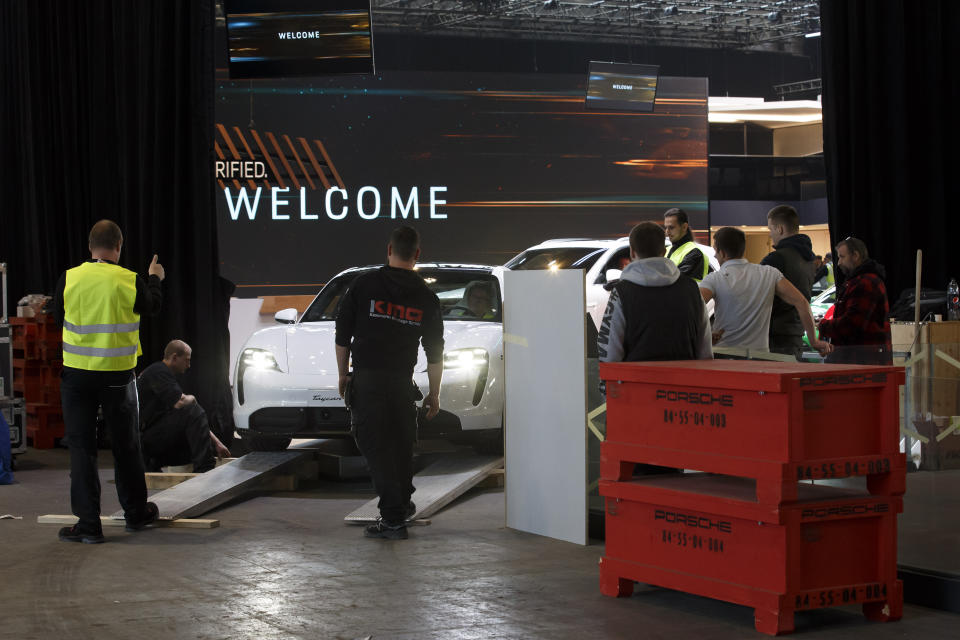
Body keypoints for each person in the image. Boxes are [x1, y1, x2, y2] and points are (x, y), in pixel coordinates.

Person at [52, 220, 164, 543]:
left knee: (81, 449)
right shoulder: (129, 281)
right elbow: (153, 307)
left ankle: (88, 525)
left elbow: (59, 318)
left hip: (76, 377)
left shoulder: (69, 278)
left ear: (90, 247)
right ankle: (136, 514)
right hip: (118, 378)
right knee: (126, 446)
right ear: (118, 247)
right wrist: (154, 278)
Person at [335, 226, 445, 540]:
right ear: (418, 254)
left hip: (368, 382)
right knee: (400, 444)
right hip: (401, 383)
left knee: (377, 449)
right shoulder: (425, 295)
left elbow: (343, 336)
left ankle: (393, 519)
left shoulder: (364, 284)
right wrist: (434, 394)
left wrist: (342, 375)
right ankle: (403, 502)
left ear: (389, 249)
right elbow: (435, 350)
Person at [699, 227, 832, 357]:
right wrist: (813, 341)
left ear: (722, 253)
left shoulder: (715, 279)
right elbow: (801, 302)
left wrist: (704, 336)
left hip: (725, 353)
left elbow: (693, 308)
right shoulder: (769, 273)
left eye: (715, 251)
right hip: (760, 356)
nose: (715, 255)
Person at [598, 221, 712, 364]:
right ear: (664, 252)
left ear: (632, 252)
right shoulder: (692, 289)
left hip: (638, 383)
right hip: (682, 382)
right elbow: (705, 350)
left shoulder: (621, 292)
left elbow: (609, 355)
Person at [138, 340, 231, 473]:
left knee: (192, 412)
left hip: (156, 436)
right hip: (147, 441)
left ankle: (198, 464)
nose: (188, 365)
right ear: (175, 357)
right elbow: (182, 403)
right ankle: (205, 469)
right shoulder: (158, 371)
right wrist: (192, 398)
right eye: (186, 360)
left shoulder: (164, 375)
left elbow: (194, 416)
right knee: (191, 408)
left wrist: (216, 442)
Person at [818, 237, 893, 364]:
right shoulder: (859, 281)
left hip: (864, 361)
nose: (839, 263)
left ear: (856, 255)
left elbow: (852, 324)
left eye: (842, 257)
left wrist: (823, 325)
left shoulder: (865, 283)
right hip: (861, 359)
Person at [761, 205, 817, 360]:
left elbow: (759, 296)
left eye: (771, 229)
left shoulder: (776, 259)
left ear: (779, 229)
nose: (771, 235)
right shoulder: (809, 259)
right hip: (796, 333)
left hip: (774, 336)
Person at [664, 208, 709, 282]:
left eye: (671, 227)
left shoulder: (694, 252)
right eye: (666, 227)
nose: (667, 232)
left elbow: (675, 280)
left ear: (684, 227)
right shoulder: (666, 250)